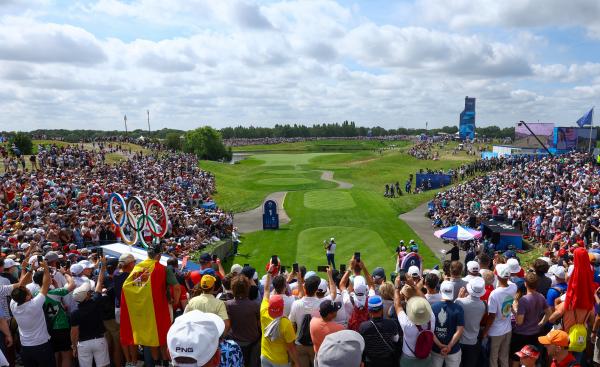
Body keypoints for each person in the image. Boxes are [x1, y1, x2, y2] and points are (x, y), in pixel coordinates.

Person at [10, 259, 54, 367]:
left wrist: (30, 271)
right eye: (28, 292)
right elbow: (46, 283)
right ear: (27, 297)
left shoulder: (13, 304)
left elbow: (21, 285)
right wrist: (46, 269)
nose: (29, 290)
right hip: (42, 346)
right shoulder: (34, 304)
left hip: (25, 347)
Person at [70, 256, 109, 367]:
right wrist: (102, 266)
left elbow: (74, 332)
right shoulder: (95, 301)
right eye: (88, 292)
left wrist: (74, 346)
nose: (89, 292)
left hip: (83, 344)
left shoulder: (74, 313)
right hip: (99, 340)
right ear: (87, 296)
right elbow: (100, 282)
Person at [260, 265, 299, 367]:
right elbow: (291, 347)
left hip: (265, 356)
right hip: (280, 361)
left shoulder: (263, 310)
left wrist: (269, 272)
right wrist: (297, 363)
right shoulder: (286, 323)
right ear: (282, 307)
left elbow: (266, 290)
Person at [510, 273, 550, 367]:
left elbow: (519, 322)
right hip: (534, 333)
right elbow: (548, 312)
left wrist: (513, 310)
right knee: (531, 361)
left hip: (521, 335)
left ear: (525, 284)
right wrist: (541, 323)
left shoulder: (523, 300)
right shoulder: (541, 296)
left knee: (517, 360)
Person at [394, 276, 435, 367]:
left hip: (409, 360)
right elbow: (425, 301)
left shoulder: (407, 324)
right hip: (426, 358)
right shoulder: (432, 318)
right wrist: (413, 285)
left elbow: (397, 305)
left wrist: (397, 287)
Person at [482, 263, 517, 367]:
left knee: (493, 358)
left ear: (498, 276)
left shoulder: (494, 294)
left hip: (496, 331)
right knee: (504, 356)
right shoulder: (513, 287)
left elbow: (492, 316)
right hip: (507, 329)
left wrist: (485, 331)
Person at [226, 275, 261, 367]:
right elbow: (259, 324)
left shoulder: (228, 305)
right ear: (247, 288)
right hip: (251, 343)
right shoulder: (255, 305)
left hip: (239, 343)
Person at [358, 295, 400, 367]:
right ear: (382, 309)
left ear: (369, 310)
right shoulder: (391, 324)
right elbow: (396, 340)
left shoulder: (363, 327)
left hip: (370, 361)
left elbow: (362, 344)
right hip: (388, 361)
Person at [289, 274, 321, 367]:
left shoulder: (296, 304)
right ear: (316, 290)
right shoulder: (321, 304)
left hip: (300, 344)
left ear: (305, 288)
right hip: (315, 345)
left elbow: (292, 324)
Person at [430, 281, 464, 367]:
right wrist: (449, 346)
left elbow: (430, 330)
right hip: (453, 350)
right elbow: (460, 331)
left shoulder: (433, 307)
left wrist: (440, 345)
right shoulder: (458, 308)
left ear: (440, 291)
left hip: (436, 349)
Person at [454, 277, 486, 367]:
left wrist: (459, 297)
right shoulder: (483, 305)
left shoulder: (459, 301)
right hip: (472, 342)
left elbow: (453, 311)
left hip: (458, 341)